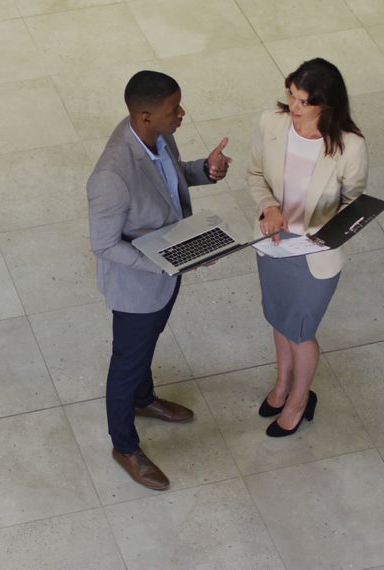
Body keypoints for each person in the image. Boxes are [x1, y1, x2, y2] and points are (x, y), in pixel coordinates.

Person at [87, 70, 232, 490]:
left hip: (167, 273)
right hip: (139, 285)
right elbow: (103, 245)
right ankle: (124, 446)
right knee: (127, 362)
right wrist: (167, 262)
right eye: (174, 110)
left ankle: (143, 399)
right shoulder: (110, 177)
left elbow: (167, 181)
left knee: (148, 342)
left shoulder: (156, 134)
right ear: (146, 116)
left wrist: (205, 169)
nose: (182, 114)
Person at [248, 58, 367, 437]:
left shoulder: (349, 145)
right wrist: (269, 207)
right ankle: (282, 386)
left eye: (304, 102)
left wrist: (317, 230)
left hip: (315, 256)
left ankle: (300, 399)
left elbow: (354, 200)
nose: (294, 107)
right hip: (274, 245)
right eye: (291, 96)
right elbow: (254, 174)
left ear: (326, 104)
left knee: (300, 330)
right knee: (279, 320)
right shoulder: (272, 123)